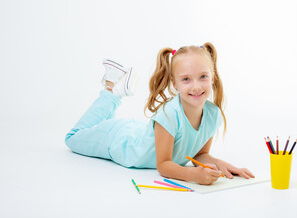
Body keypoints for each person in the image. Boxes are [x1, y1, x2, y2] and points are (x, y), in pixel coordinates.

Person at [65, 42, 255, 185]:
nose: (196, 86)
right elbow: (163, 165)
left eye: (203, 77)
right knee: (73, 137)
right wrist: (194, 176)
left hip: (138, 133)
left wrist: (222, 164)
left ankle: (113, 92)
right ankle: (111, 92)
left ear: (212, 77)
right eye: (186, 79)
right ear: (175, 83)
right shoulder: (169, 114)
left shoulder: (213, 115)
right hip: (119, 142)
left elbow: (199, 155)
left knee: (92, 129)